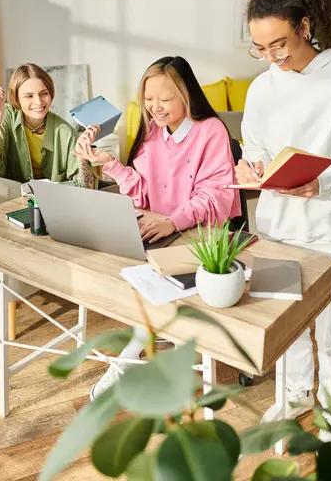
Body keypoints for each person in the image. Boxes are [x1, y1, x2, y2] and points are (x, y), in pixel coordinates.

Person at [74, 55, 241, 399]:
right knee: (104, 264)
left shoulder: (211, 131)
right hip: (156, 233)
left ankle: (125, 362)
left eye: (164, 100)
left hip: (200, 238)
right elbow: (143, 192)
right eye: (148, 100)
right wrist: (111, 165)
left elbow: (215, 198)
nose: (155, 108)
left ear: (187, 96)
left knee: (146, 287)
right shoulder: (152, 131)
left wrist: (171, 221)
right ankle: (133, 353)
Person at [235, 0, 331, 442]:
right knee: (285, 326)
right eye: (260, 47)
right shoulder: (262, 88)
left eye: (278, 42)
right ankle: (295, 393)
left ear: (305, 25)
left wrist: (323, 180)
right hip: (279, 227)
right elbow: (255, 147)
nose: (271, 56)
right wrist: (250, 164)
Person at [0, 63, 94, 188]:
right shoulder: (7, 116)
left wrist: (83, 158)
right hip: (10, 202)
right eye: (29, 96)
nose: (38, 102)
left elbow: (86, 187)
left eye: (44, 94)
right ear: (16, 98)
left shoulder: (66, 133)